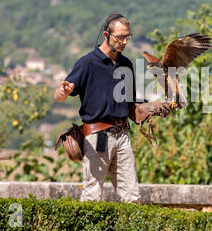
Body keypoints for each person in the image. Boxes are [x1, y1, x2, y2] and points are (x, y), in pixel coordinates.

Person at [54, 14, 172, 203]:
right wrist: (63, 91)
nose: (125, 42)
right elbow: (59, 97)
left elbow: (130, 103)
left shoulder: (126, 64)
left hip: (123, 136)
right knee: (92, 196)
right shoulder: (87, 63)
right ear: (106, 34)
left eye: (128, 37)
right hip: (97, 137)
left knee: (132, 198)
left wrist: (153, 108)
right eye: (120, 37)